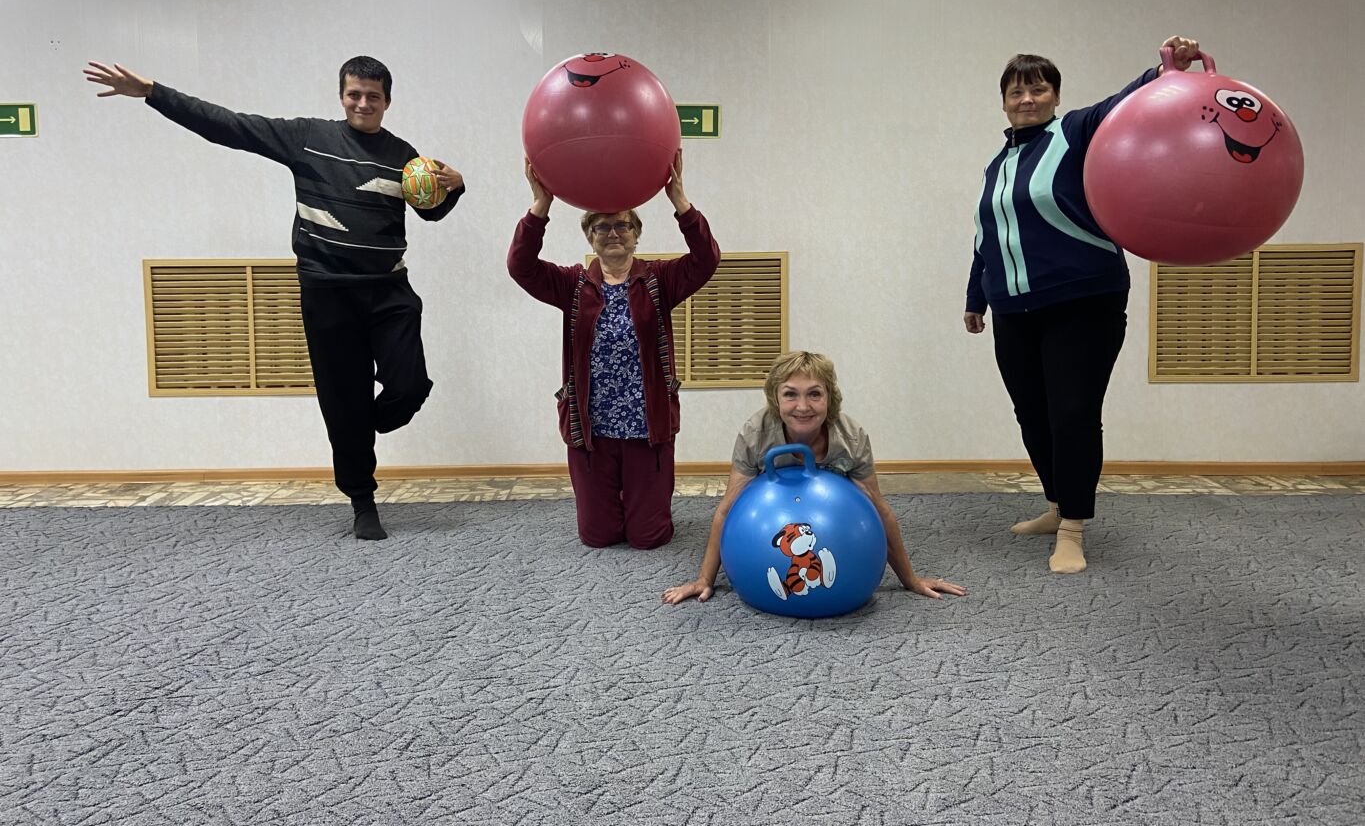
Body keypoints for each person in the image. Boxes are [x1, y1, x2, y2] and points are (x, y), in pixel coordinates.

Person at [83, 56, 464, 542]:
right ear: (341, 96)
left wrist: (456, 186)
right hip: (328, 293)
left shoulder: (404, 156)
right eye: (354, 94)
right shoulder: (307, 138)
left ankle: (362, 422)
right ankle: (362, 500)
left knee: (408, 388)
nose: (362, 103)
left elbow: (431, 212)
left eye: (373, 96)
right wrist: (154, 92)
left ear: (387, 101)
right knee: (343, 398)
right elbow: (228, 125)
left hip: (389, 291)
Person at [963, 35, 1200, 573]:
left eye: (1038, 89)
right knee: (1032, 413)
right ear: (1003, 102)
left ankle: (1073, 526)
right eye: (1016, 92)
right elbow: (986, 235)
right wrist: (976, 296)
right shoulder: (997, 165)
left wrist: (1165, 68)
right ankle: (1056, 503)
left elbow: (1123, 102)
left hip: (1083, 301)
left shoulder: (1074, 132)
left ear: (1055, 95)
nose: (1027, 99)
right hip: (1013, 310)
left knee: (1072, 413)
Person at [508, 153, 719, 550]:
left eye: (623, 224)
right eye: (602, 227)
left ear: (636, 233)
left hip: (646, 428)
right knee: (598, 536)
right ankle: (615, 507)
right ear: (590, 237)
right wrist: (540, 205)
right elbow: (521, 266)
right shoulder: (572, 284)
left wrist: (680, 201)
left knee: (649, 538)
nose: (613, 233)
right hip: (593, 431)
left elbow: (706, 260)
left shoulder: (658, 280)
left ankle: (642, 508)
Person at [663, 350, 965, 605]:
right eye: (790, 394)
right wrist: (704, 579)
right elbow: (727, 509)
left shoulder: (851, 438)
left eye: (815, 394)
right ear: (775, 398)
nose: (803, 406)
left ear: (830, 398)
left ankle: (819, 570)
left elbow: (878, 508)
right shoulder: (756, 434)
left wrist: (910, 579)